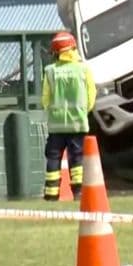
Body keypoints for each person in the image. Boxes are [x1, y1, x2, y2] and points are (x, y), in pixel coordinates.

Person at [41, 31, 95, 201]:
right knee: (77, 158)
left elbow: (45, 99)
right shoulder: (84, 69)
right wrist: (82, 112)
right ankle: (78, 193)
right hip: (78, 123)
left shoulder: (50, 71)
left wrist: (53, 112)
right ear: (73, 48)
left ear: (56, 52)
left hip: (56, 125)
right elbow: (91, 95)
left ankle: (51, 195)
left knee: (53, 157)